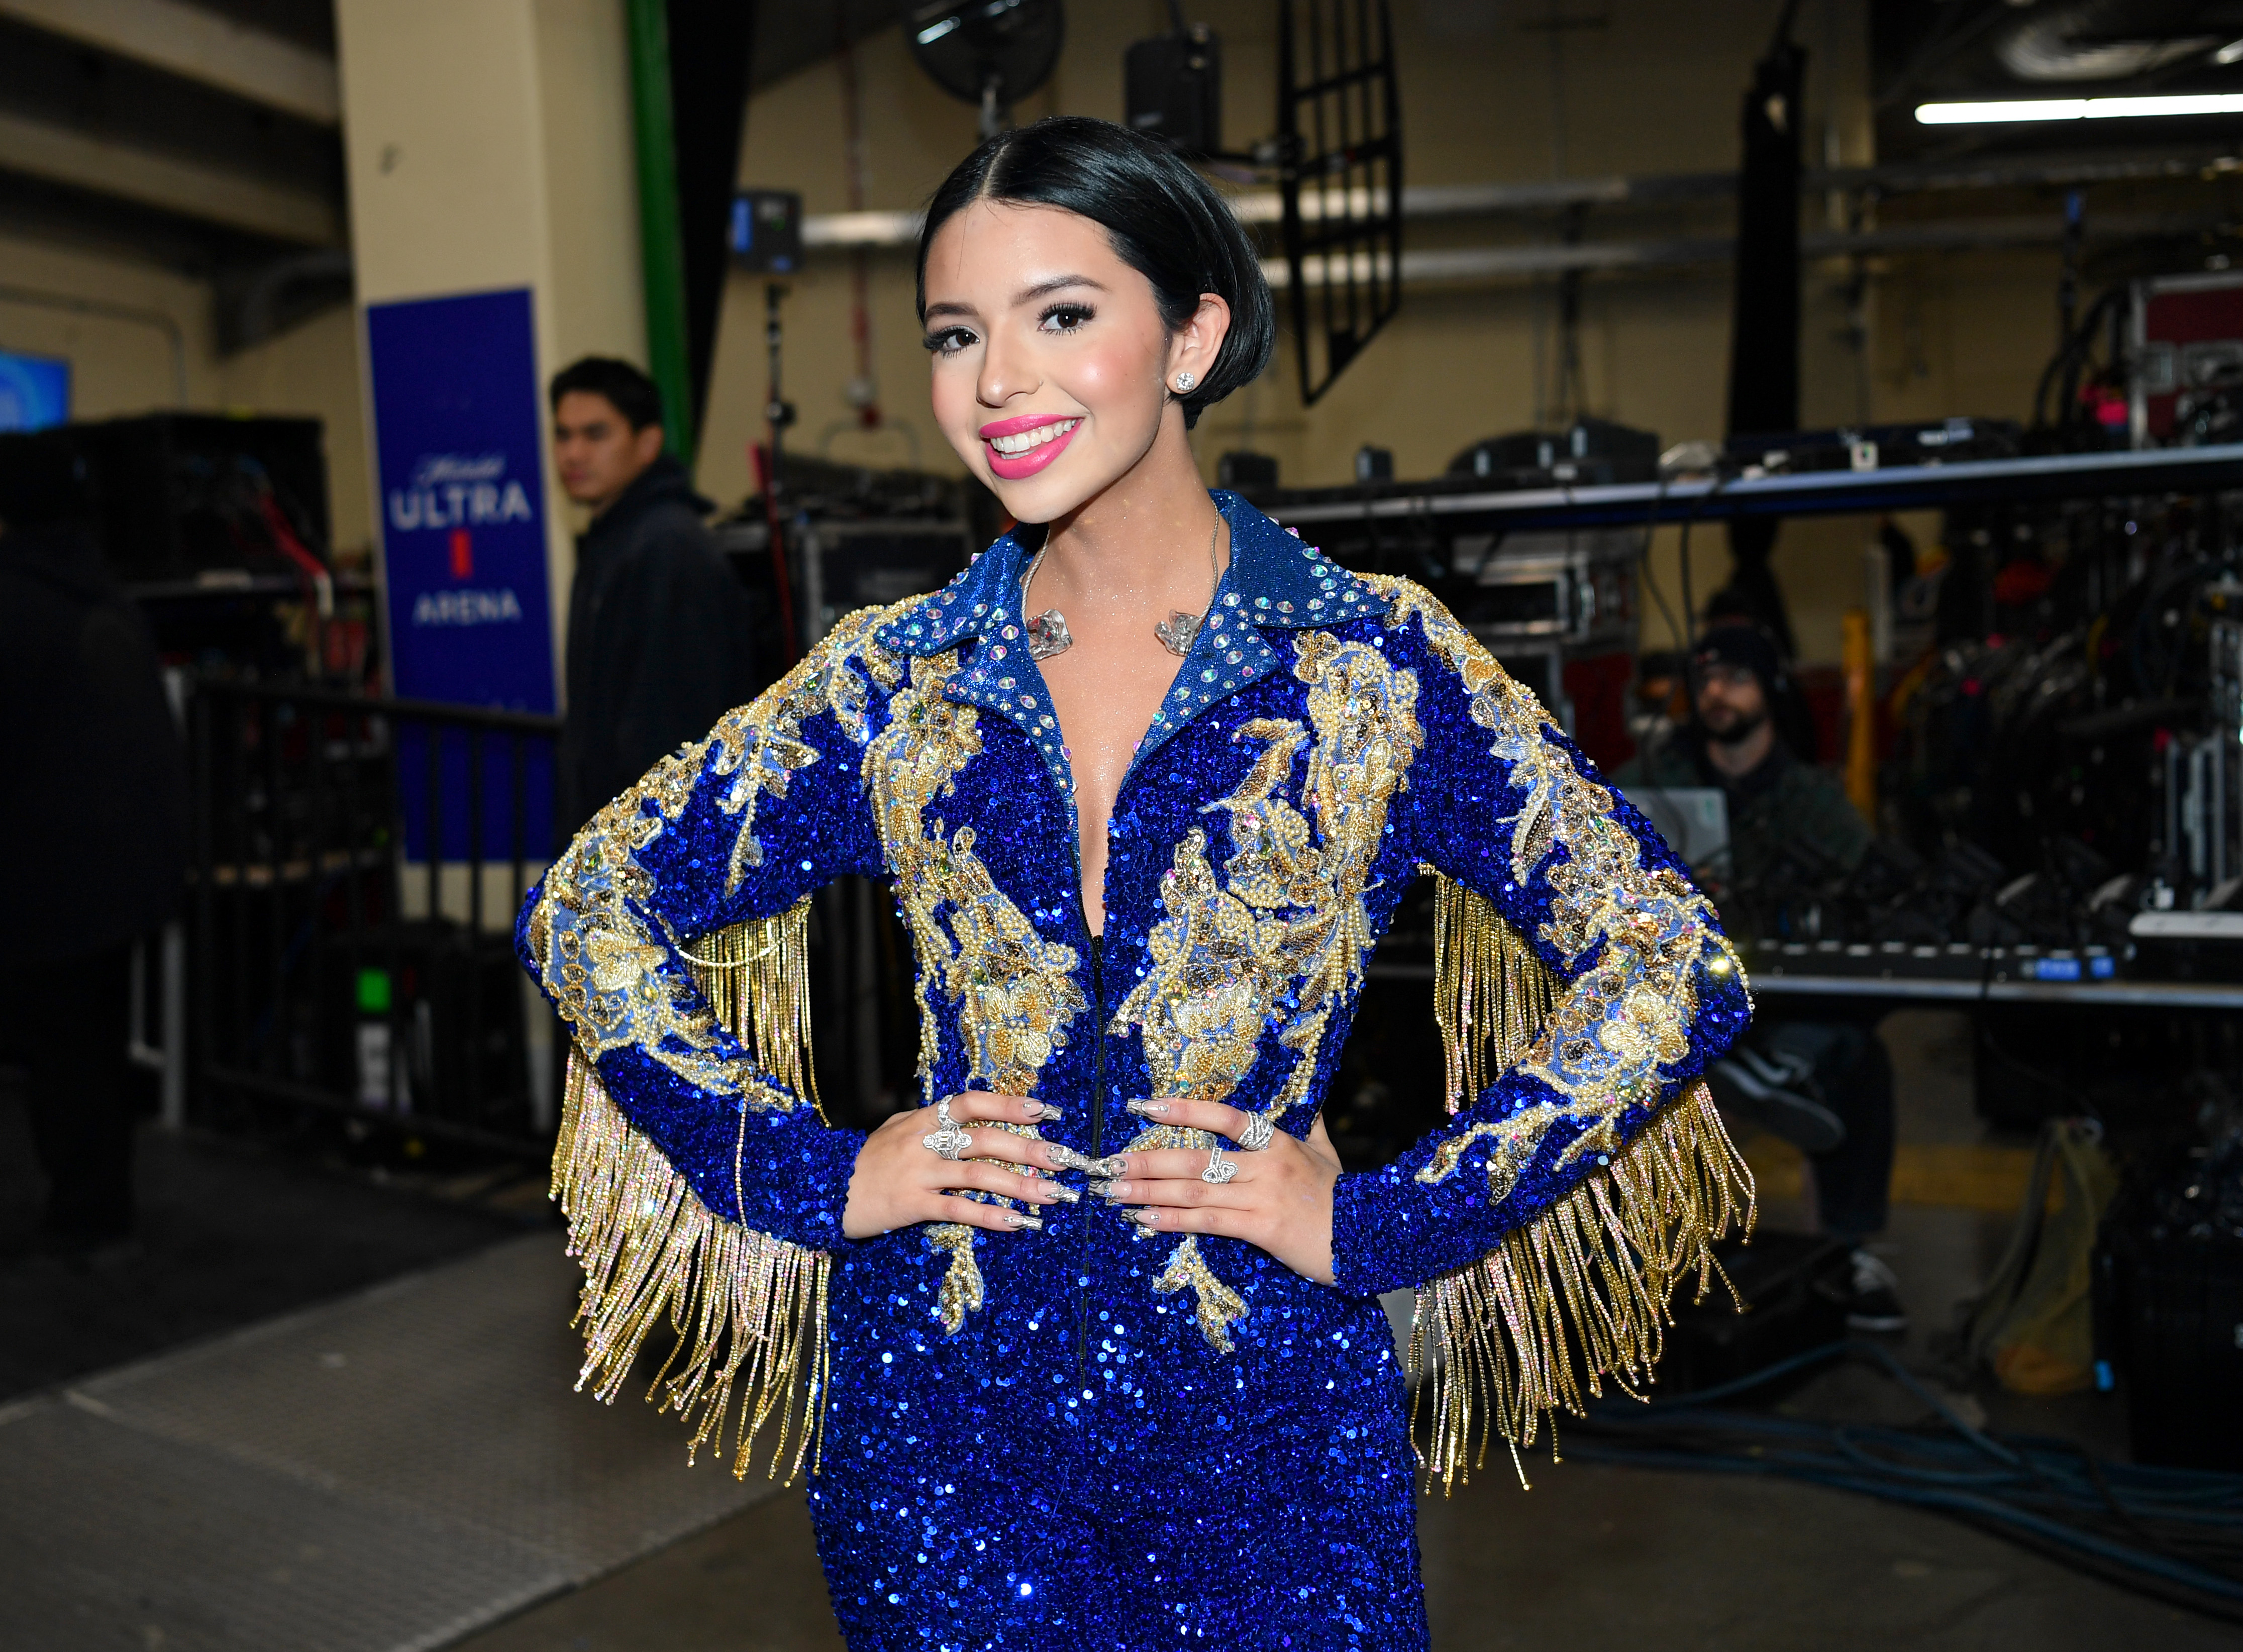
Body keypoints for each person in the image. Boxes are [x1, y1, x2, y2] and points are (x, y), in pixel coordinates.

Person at [518, 117, 1751, 1649]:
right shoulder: (897, 680)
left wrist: (1384, 1222)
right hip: (941, 1440)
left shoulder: (1368, 662)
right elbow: (588, 904)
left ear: (1191, 335)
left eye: (1063, 315)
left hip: (1271, 1434)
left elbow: (1672, 961)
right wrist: (813, 1172)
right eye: (958, 334)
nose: (997, 381)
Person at [1615, 623, 1904, 1331]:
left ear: (1769, 689)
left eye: (1736, 678)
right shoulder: (1658, 782)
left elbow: (1871, 891)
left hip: (1787, 992)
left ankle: (1847, 1249)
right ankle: (1634, 1257)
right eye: (1707, 679)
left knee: (1863, 1059)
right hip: (1686, 991)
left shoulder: (1811, 797)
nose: (1717, 693)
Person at [0, 482, 186, 1256]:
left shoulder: (17, 603)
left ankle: (84, 1212)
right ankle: (99, 1200)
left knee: (62, 1051)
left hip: (48, 871)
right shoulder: (104, 596)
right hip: (122, 869)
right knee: (93, 1043)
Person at [549, 356, 757, 838]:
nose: (574, 453)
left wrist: (633, 858)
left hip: (654, 853)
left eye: (595, 434)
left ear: (647, 443)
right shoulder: (618, 540)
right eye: (563, 435)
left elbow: (671, 730)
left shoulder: (668, 549)